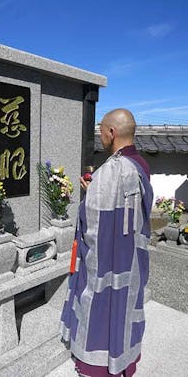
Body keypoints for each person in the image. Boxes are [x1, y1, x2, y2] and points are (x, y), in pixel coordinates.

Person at [60, 108, 153, 377]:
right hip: (132, 255)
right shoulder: (140, 164)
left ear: (111, 133)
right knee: (126, 306)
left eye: (101, 131)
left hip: (108, 261)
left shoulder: (111, 171)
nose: (99, 136)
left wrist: (89, 197)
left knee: (102, 303)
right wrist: (96, 194)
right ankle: (125, 357)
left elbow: (95, 226)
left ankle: (97, 364)